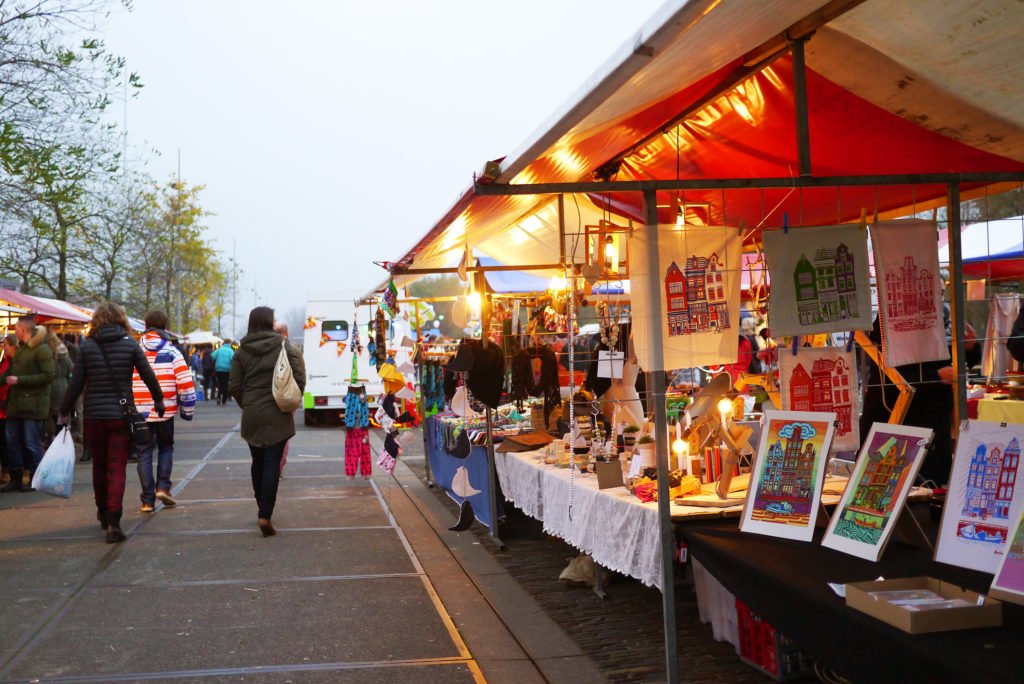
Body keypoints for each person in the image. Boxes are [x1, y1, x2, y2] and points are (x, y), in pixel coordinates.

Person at [59, 302, 164, 543]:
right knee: (117, 467)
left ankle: (103, 512)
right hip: (121, 415)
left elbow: (76, 384)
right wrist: (158, 399)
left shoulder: (88, 347)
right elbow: (148, 373)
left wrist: (64, 411)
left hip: (94, 416)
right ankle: (114, 522)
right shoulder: (130, 344)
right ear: (121, 320)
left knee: (99, 466)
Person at [860, 312, 980, 485]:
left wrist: (969, 349)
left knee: (932, 485)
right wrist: (936, 377)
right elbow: (889, 379)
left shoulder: (938, 318)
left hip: (934, 423)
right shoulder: (890, 322)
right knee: (900, 485)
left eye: (941, 291)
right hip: (902, 421)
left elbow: (947, 360)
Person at [229, 307, 305, 537]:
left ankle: (260, 504)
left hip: (252, 414)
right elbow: (299, 377)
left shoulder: (241, 352)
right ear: (270, 323)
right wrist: (289, 400)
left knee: (257, 461)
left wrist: (248, 403)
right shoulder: (284, 346)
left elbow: (233, 385)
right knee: (273, 462)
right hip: (278, 413)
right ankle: (265, 513)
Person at [132, 310, 197, 513]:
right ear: (165, 327)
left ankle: (147, 500)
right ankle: (163, 487)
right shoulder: (172, 352)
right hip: (165, 410)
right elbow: (185, 383)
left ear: (145, 324)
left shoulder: (134, 350)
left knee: (143, 452)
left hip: (139, 410)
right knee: (166, 447)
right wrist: (187, 410)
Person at [0, 316, 55, 493]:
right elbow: (9, 373)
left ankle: (36, 479)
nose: (14, 330)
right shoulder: (21, 350)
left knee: (31, 443)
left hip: (33, 406)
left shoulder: (42, 349)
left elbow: (48, 375)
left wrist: (20, 380)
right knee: (12, 442)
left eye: (15, 328)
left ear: (22, 330)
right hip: (16, 405)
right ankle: (16, 479)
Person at [272, 320, 305, 478]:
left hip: (270, 399)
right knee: (284, 436)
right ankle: (279, 468)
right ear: (286, 333)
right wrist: (297, 396)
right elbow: (301, 375)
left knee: (269, 434)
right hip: (288, 400)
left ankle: (270, 466)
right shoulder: (294, 350)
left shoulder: (267, 350)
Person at [46, 333, 73, 447]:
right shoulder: (65, 354)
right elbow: (70, 371)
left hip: (50, 387)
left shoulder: (47, 355)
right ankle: (64, 438)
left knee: (50, 415)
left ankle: (53, 438)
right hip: (64, 386)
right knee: (62, 414)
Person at [0, 334, 15, 487]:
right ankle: (6, 471)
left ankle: (9, 472)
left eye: (5, 345)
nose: (3, 348)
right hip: (3, 408)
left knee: (7, 442)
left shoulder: (12, 363)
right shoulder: (4, 361)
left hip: (7, 408)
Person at [211, 340, 235, 405]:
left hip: (218, 369)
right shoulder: (230, 351)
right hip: (227, 369)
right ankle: (224, 400)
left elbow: (212, 356)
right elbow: (233, 358)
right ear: (229, 344)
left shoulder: (219, 349)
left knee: (220, 384)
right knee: (226, 384)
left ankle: (218, 397)